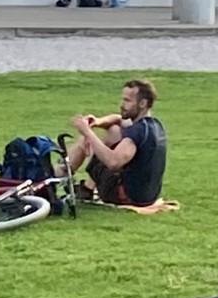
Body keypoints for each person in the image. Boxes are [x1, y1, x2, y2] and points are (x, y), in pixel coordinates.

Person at [67, 79, 167, 207]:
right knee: (114, 130)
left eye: (127, 101)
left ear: (142, 103)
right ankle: (86, 188)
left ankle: (64, 178)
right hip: (148, 196)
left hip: (126, 196)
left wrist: (87, 133)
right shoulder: (153, 125)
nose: (122, 105)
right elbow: (118, 119)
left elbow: (113, 162)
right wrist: (97, 122)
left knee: (92, 144)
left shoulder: (138, 132)